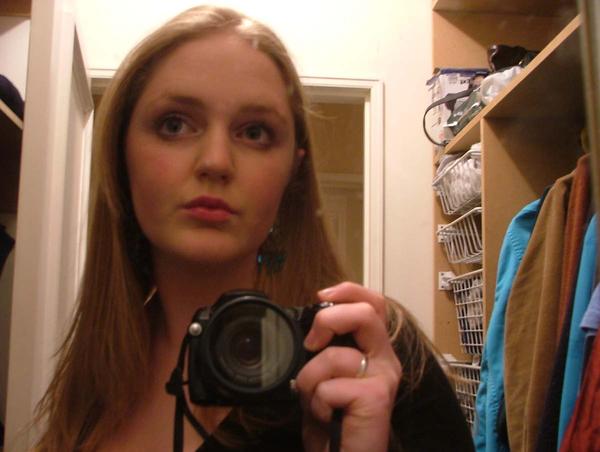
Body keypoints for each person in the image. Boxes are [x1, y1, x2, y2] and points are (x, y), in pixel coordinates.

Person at [34, 5, 474, 451]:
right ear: (121, 153)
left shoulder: (371, 355)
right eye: (174, 124)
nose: (215, 162)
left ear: (292, 173)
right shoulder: (101, 376)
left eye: (255, 133)